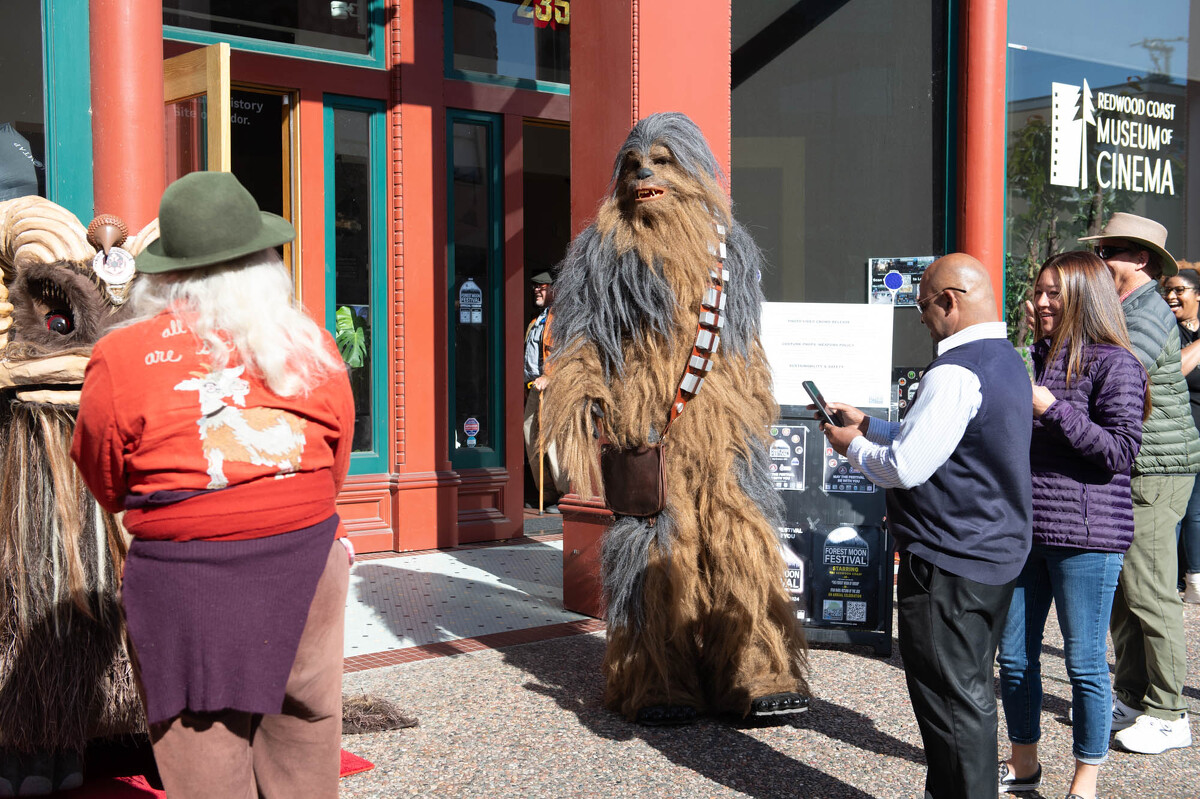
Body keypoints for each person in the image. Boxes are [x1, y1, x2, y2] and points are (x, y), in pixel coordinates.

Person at [70, 171, 355, 798]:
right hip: (306, 561)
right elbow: (333, 467)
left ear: (164, 272)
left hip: (187, 578)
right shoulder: (310, 343)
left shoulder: (122, 355)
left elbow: (103, 475)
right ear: (263, 261)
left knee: (202, 751)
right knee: (306, 735)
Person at [818, 253, 1032, 799]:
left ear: (950, 301)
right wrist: (874, 423)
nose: (920, 318)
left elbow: (907, 467)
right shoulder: (1005, 359)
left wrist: (853, 447)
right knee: (967, 694)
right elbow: (947, 439)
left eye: (922, 306)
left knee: (951, 704)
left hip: (946, 563)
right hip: (987, 556)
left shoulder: (955, 371)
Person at [997, 252, 1147, 799]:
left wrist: (1050, 408)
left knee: (1084, 664)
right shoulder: (1030, 357)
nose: (1039, 303)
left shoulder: (1117, 364)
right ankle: (1025, 765)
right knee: (1013, 657)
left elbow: (1120, 451)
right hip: (1025, 532)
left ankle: (1085, 782)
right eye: (1038, 292)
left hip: (1087, 538)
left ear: (1086, 297)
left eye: (1053, 293)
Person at [1081, 212, 1198, 754]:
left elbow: (1125, 368)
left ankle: (1171, 714)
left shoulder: (1148, 309)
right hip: (1134, 466)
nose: (1100, 262)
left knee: (1150, 591)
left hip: (1158, 468)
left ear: (1141, 259)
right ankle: (1132, 695)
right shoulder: (1125, 306)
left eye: (1110, 253)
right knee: (1126, 592)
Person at [1162, 264, 1200, 604]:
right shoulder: (1168, 333)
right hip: (1177, 436)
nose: (1172, 296)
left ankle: (1194, 579)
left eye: (1180, 290)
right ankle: (1169, 580)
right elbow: (1173, 373)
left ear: (1198, 296)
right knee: (1175, 509)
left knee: (1197, 510)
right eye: (1168, 291)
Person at [523, 270, 566, 512]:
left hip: (551, 387)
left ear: (555, 289)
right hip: (533, 388)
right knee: (531, 437)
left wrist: (551, 377)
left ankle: (563, 494)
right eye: (535, 286)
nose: (537, 289)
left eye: (543, 286)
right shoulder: (537, 319)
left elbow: (567, 352)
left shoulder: (561, 318)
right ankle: (546, 494)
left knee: (552, 442)